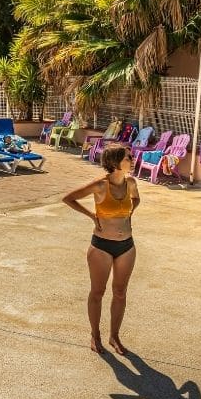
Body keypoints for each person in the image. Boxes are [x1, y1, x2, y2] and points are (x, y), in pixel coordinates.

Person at [62, 145, 140, 355]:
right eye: (128, 157)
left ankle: (114, 336)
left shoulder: (131, 183)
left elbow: (136, 199)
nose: (132, 159)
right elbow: (69, 198)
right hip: (101, 247)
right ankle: (95, 335)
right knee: (98, 292)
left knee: (120, 293)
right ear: (115, 162)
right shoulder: (100, 185)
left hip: (127, 246)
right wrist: (92, 216)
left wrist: (129, 214)